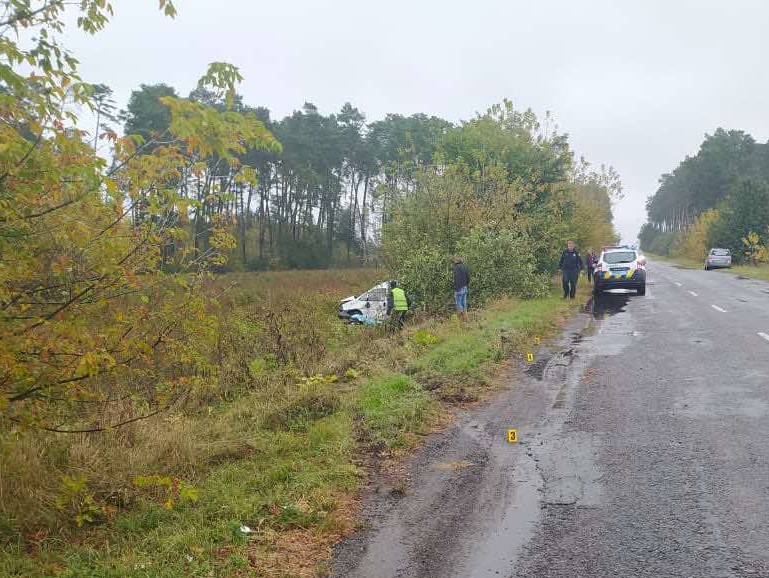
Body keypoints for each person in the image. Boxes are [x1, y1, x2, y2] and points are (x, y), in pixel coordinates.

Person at [453, 256, 470, 321]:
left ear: (456, 261)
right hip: (465, 287)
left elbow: (456, 278)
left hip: (459, 288)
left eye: (454, 260)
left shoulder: (456, 267)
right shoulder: (464, 266)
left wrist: (456, 289)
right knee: (464, 303)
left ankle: (462, 319)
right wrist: (465, 284)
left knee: (458, 304)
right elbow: (468, 277)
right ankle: (466, 317)